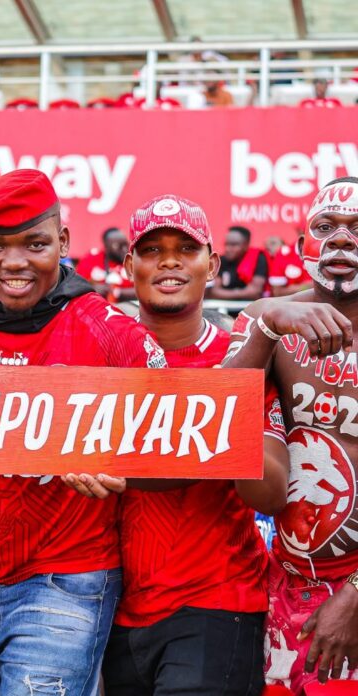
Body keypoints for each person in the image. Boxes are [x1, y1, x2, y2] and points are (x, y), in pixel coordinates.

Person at [0, 169, 166, 696]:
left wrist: (117, 466)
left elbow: (173, 445)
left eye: (34, 244)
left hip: (67, 580)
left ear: (63, 242)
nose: (14, 262)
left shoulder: (113, 333)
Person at [64, 194, 289, 695]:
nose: (169, 262)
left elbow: (272, 494)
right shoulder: (98, 357)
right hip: (113, 612)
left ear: (213, 265)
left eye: (186, 249)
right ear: (129, 265)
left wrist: (221, 401)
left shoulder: (240, 357)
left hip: (216, 606)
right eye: (152, 250)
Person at [223, 176, 358, 694]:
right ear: (303, 244)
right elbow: (217, 420)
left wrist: (355, 594)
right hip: (286, 582)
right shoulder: (267, 321)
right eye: (326, 227)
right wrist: (268, 324)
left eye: (356, 228)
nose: (341, 239)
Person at [208, 225, 269, 301]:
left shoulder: (258, 258)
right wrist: (242, 293)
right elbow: (213, 292)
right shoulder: (221, 260)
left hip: (251, 307)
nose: (228, 248)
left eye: (233, 245)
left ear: (246, 245)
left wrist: (224, 293)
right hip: (224, 306)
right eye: (226, 244)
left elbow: (255, 292)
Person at [76, 226, 134, 302]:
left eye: (126, 244)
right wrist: (92, 288)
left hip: (128, 306)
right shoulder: (90, 259)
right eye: (118, 246)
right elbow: (76, 285)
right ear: (106, 246)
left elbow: (144, 290)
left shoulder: (132, 260)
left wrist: (117, 292)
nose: (124, 249)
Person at [268, 230, 312, 297]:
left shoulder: (327, 252)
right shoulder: (283, 255)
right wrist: (304, 287)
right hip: (295, 302)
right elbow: (277, 293)